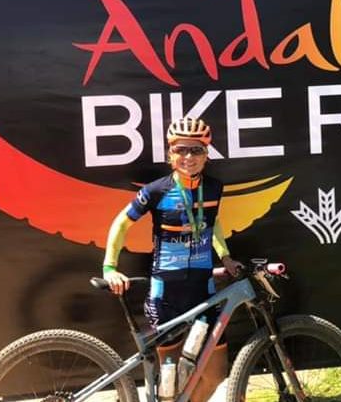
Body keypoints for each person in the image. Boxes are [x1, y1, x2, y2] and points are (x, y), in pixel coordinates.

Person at [102, 116, 242, 401]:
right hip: (166, 297)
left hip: (203, 292)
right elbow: (121, 224)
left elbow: (212, 222)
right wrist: (110, 267)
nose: (188, 157)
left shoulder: (214, 188)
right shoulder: (156, 190)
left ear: (206, 153)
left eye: (196, 150)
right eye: (181, 149)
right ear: (170, 153)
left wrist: (225, 256)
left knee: (215, 373)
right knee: (171, 381)